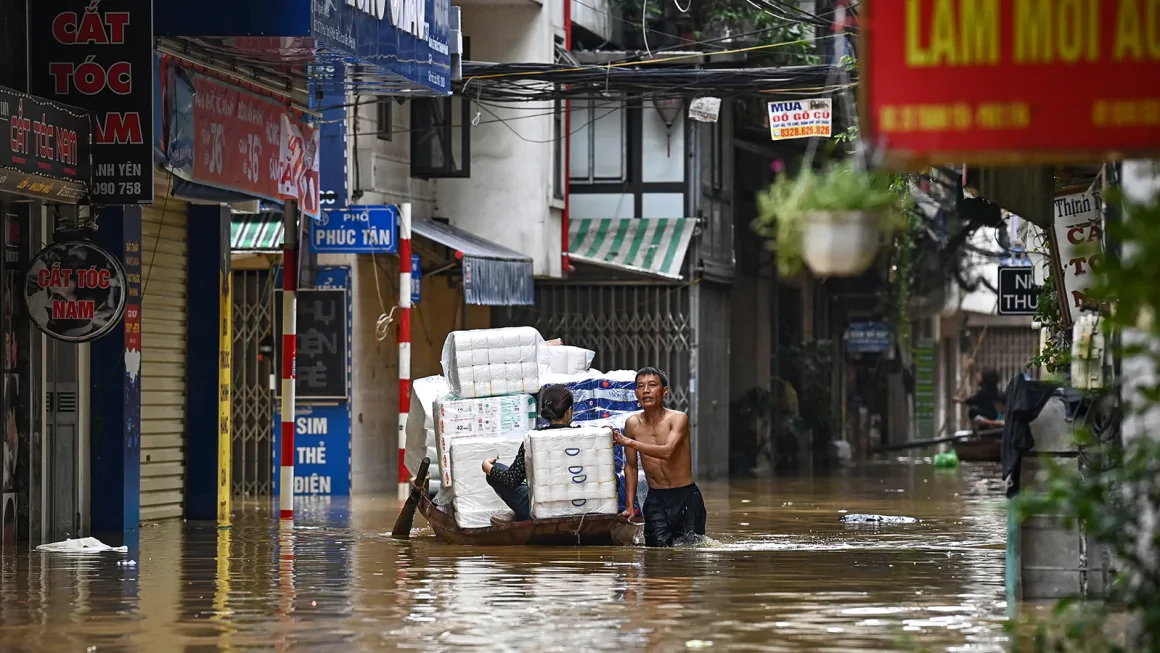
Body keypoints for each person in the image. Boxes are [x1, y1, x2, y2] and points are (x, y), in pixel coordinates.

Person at [613, 367, 706, 547]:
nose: (646, 390)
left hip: (686, 497)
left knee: (692, 552)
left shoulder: (678, 418)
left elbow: (667, 451)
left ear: (664, 391)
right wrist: (630, 505)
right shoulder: (632, 424)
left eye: (652, 385)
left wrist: (629, 442)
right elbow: (631, 466)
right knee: (657, 553)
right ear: (636, 393)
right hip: (656, 498)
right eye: (640, 386)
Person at [481, 384, 575, 525]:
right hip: (579, 505)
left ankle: (521, 514)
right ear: (569, 411)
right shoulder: (586, 438)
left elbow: (511, 479)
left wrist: (488, 467)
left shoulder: (533, 440)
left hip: (540, 511)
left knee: (497, 468)